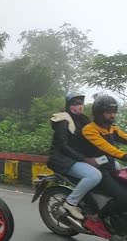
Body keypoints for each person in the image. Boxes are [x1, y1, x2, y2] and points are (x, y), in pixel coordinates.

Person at [47, 92, 102, 220]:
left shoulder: (83, 119)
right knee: (94, 175)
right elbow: (63, 146)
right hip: (62, 159)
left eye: (80, 103)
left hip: (77, 157)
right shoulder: (62, 120)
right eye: (74, 103)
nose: (78, 106)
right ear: (68, 105)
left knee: (113, 165)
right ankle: (70, 203)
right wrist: (85, 159)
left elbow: (93, 138)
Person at [81, 95, 127, 218]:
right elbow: (106, 147)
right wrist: (124, 155)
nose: (112, 115)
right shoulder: (89, 129)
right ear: (99, 112)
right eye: (108, 112)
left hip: (109, 166)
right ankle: (97, 218)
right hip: (98, 169)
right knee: (123, 197)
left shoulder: (111, 128)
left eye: (114, 112)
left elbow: (125, 137)